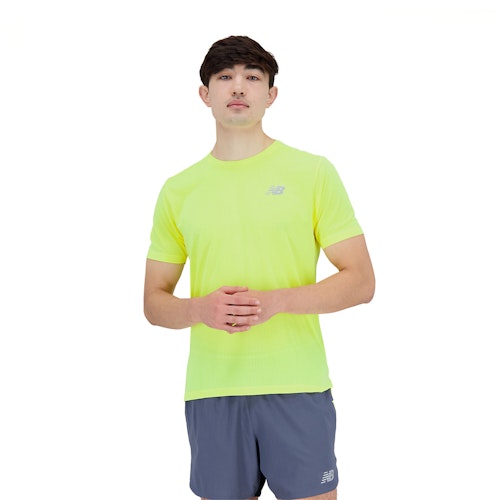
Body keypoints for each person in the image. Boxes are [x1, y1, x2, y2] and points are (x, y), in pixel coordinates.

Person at [144, 35, 375, 500]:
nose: (238, 87)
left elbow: (361, 281)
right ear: (205, 94)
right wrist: (199, 310)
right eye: (224, 77)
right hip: (212, 391)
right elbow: (154, 302)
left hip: (297, 385)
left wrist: (278, 302)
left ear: (271, 95)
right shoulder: (178, 190)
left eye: (252, 77)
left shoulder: (312, 173)